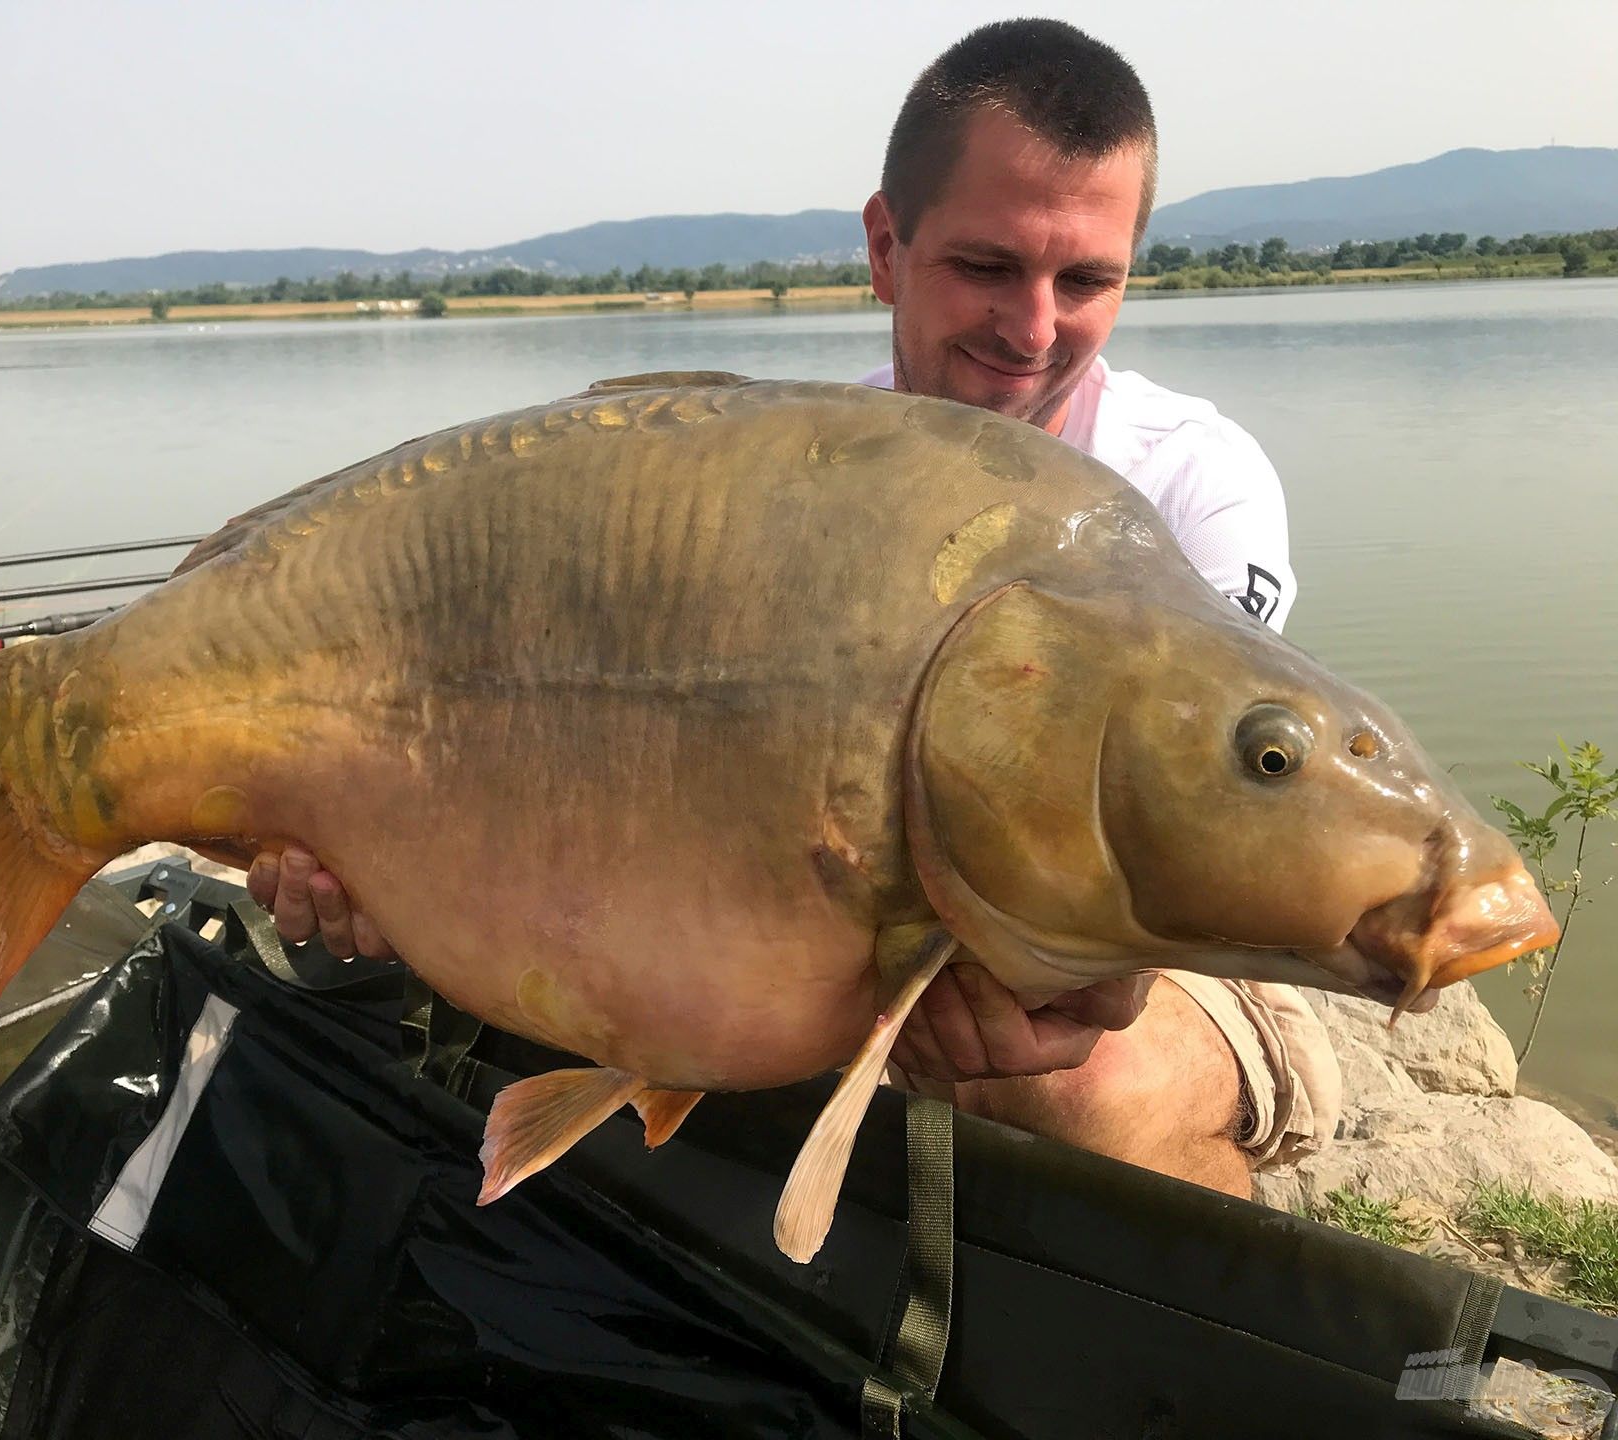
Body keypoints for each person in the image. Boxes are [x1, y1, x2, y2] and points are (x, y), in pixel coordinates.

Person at [250, 18, 1341, 1201]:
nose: (1032, 330)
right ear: (886, 245)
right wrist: (377, 855)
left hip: (1156, 948)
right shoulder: (787, 477)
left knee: (1068, 1082)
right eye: (985, 267)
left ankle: (1166, 1359)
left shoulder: (1193, 479)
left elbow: (1203, 825)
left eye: (1084, 280)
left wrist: (1100, 971)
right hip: (837, 918)